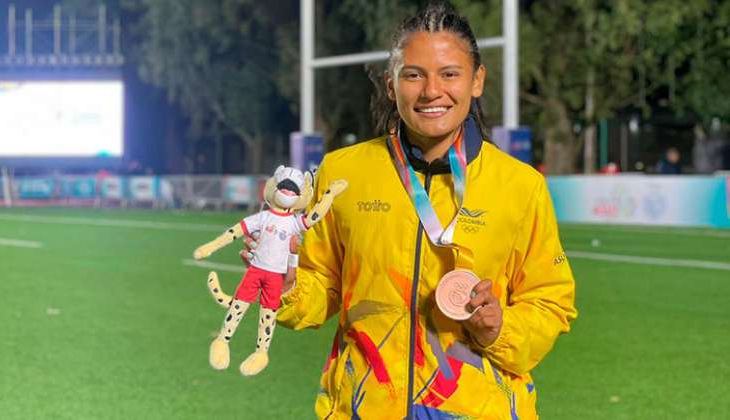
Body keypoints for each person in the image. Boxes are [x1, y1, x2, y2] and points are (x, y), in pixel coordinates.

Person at [244, 2, 576, 418]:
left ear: (477, 81)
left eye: (450, 74)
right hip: (365, 405)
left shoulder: (521, 186)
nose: (432, 91)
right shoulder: (343, 172)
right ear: (390, 85)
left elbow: (550, 301)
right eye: (413, 75)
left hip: (475, 408)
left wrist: (500, 328)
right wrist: (287, 285)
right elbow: (321, 284)